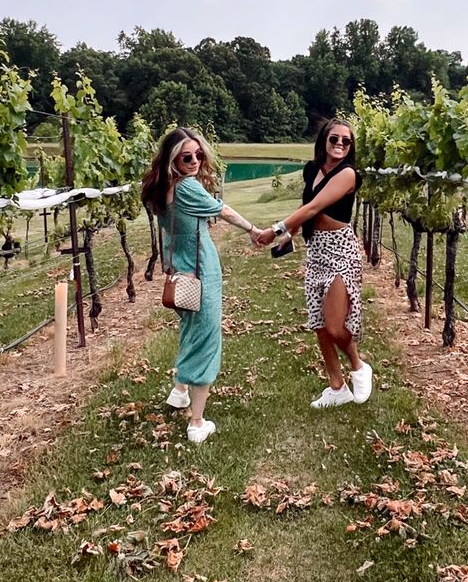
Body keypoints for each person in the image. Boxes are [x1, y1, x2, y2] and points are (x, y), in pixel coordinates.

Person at [141, 127, 261, 443]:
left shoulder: (161, 187)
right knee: (207, 338)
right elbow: (223, 211)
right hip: (201, 271)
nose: (195, 160)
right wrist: (253, 229)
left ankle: (180, 391)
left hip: (180, 270)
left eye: (198, 154)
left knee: (190, 330)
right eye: (186, 156)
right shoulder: (187, 188)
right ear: (173, 159)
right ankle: (197, 423)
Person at [255, 119, 372, 408]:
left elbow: (315, 206)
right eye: (335, 139)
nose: (340, 145)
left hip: (341, 250)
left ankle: (359, 366)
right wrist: (291, 234)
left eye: (347, 141)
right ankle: (337, 387)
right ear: (324, 140)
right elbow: (304, 209)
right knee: (319, 324)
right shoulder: (312, 169)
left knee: (334, 326)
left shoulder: (348, 174)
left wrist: (275, 230)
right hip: (317, 249)